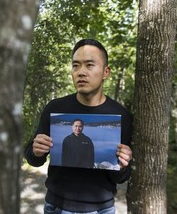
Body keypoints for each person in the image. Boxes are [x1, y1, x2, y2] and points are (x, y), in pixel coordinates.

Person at [24, 38, 133, 214]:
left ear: (106, 72)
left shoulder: (122, 116)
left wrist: (122, 165)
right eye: (76, 66)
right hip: (56, 206)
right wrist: (36, 151)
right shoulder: (55, 109)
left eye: (89, 65)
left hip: (101, 209)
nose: (81, 72)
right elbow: (32, 158)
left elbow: (121, 177)